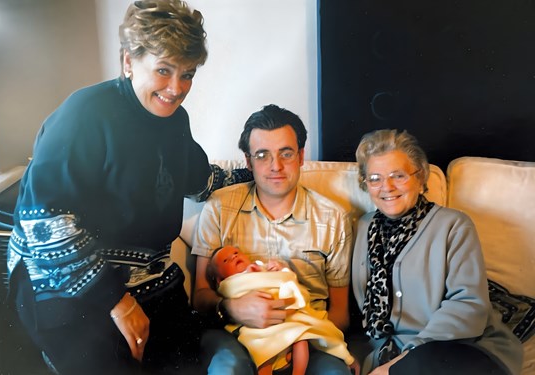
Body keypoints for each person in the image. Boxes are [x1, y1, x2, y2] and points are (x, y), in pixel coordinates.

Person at [5, 1, 251, 374]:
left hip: (146, 276)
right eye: (164, 71)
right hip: (65, 279)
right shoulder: (85, 113)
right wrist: (117, 301)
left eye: (187, 74)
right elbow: (45, 222)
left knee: (184, 361)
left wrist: (252, 173)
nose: (176, 88)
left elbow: (199, 181)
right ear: (128, 62)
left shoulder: (175, 122)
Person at [192, 104, 358, 374]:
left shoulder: (333, 218)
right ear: (248, 161)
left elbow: (340, 312)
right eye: (262, 155)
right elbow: (200, 296)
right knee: (228, 368)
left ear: (301, 156)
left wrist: (297, 334)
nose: (276, 166)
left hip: (307, 336)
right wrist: (233, 308)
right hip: (236, 333)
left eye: (286, 153)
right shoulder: (220, 207)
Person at [349, 129, 523, 375]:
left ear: (420, 178)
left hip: (459, 349)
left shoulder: (454, 225)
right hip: (390, 355)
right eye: (375, 178)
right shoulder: (362, 227)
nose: (386, 187)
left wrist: (400, 364)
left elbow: (467, 305)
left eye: (398, 175)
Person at [207, 245, 356, 375]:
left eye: (236, 253)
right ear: (220, 279)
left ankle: (298, 372)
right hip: (256, 325)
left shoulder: (261, 266)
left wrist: (281, 270)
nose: (234, 257)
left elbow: (285, 279)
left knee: (301, 338)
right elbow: (221, 293)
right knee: (262, 350)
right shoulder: (230, 283)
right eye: (226, 260)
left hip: (290, 318)